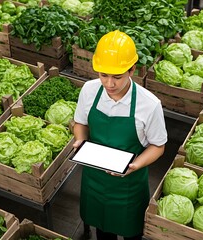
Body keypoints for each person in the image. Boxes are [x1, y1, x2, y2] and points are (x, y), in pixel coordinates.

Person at [73, 30, 168, 240]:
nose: (109, 84)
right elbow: (80, 122)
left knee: (131, 234)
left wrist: (135, 165)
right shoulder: (89, 91)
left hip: (129, 185)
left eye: (117, 76)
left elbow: (158, 146)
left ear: (132, 69)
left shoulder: (149, 105)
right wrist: (80, 139)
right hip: (94, 178)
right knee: (103, 230)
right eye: (103, 75)